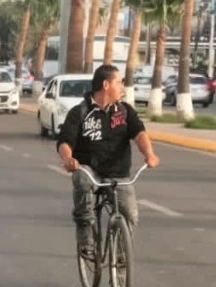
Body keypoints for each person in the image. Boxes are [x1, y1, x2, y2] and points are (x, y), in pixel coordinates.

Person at [56, 63, 159, 262]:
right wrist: (69, 159)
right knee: (82, 181)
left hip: (118, 174)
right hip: (89, 170)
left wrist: (149, 154)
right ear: (106, 85)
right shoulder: (80, 112)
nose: (122, 86)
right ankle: (86, 239)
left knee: (131, 215)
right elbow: (65, 142)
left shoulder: (125, 111)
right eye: (118, 82)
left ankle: (121, 256)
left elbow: (139, 134)